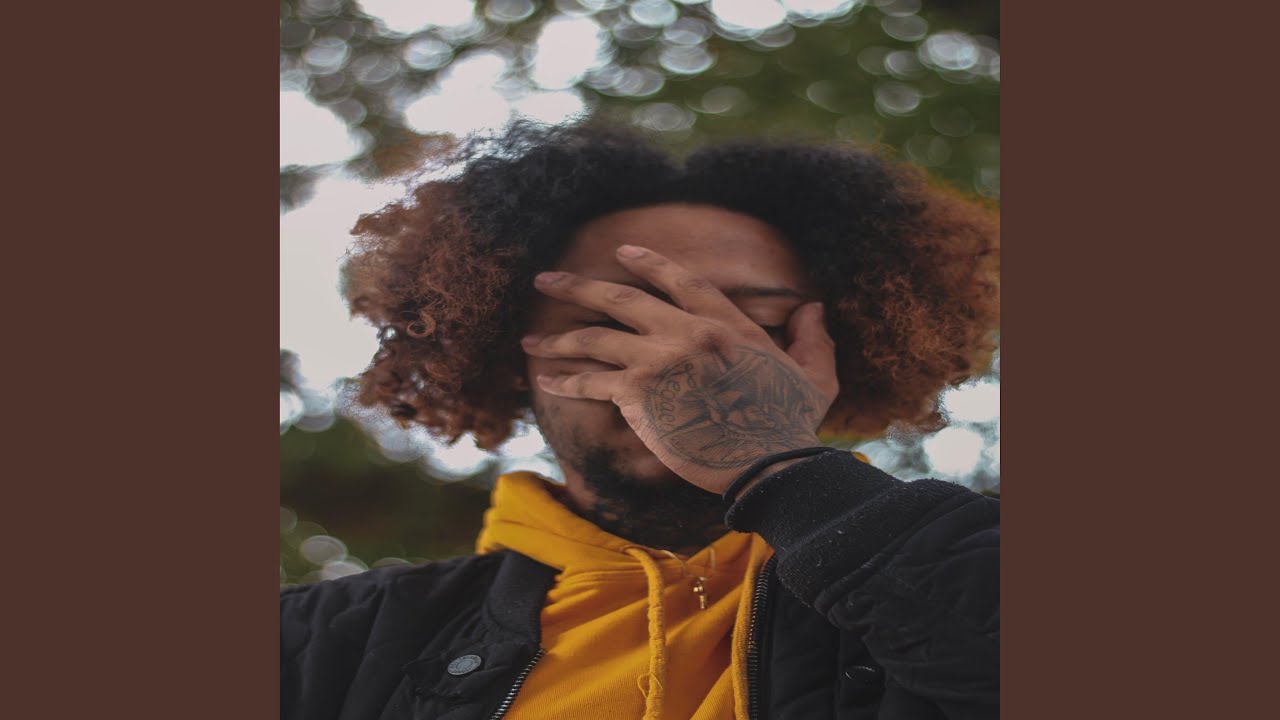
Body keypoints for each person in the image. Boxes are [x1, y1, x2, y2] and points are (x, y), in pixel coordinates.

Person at [281, 122, 1000, 720]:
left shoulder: (967, 564)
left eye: (754, 324)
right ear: (507, 356)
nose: (682, 358)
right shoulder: (311, 642)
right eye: (614, 322)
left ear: (833, 355)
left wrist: (778, 465)